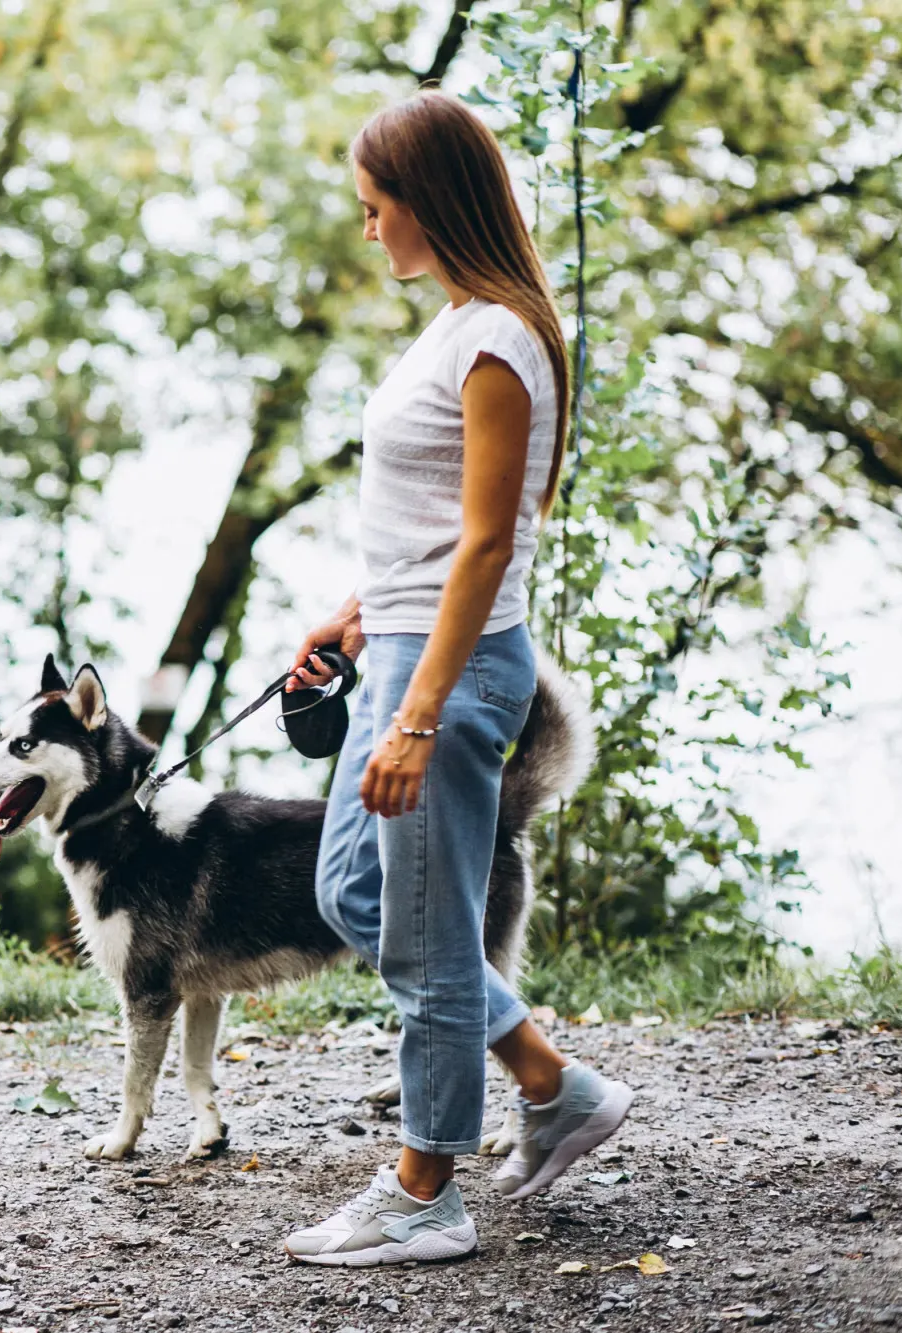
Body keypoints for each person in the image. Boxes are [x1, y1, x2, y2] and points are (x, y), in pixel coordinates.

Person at [278, 90, 633, 1266]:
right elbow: (432, 527)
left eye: (376, 209)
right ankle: (550, 1081)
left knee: (427, 940)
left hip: (452, 672)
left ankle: (425, 1191)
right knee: (353, 896)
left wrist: (418, 713)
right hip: (399, 649)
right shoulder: (455, 324)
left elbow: (488, 543)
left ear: (428, 204)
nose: (366, 229)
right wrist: (352, 614)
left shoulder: (498, 341)